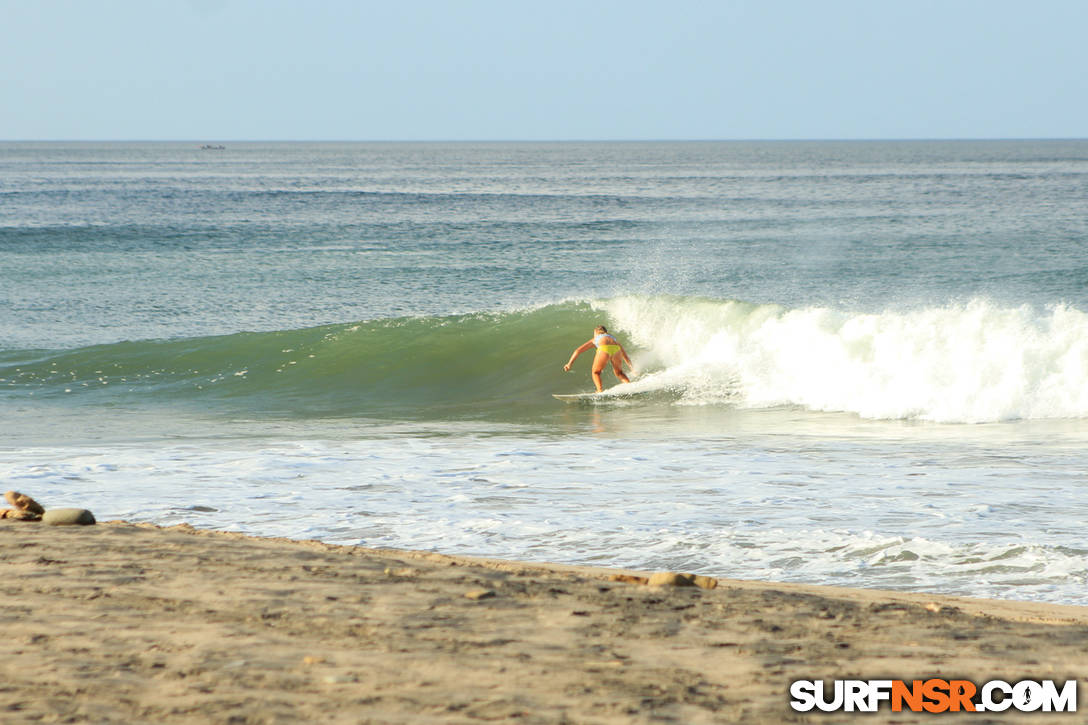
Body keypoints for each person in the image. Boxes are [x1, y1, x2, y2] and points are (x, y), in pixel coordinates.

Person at [563, 325, 634, 393]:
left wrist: (569, 364)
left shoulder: (596, 338)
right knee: (619, 373)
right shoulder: (613, 339)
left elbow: (577, 351)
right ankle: (629, 386)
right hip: (617, 350)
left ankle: (599, 390)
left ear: (596, 332)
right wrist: (632, 369)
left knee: (595, 372)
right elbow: (625, 356)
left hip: (604, 348)